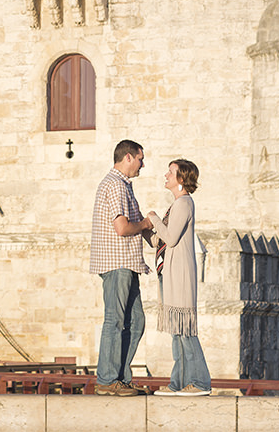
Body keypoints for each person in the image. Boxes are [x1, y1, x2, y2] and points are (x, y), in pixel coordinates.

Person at [90, 139, 153, 395]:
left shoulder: (123, 186)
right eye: (140, 158)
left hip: (128, 262)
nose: (142, 164)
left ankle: (121, 377)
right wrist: (146, 224)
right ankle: (107, 380)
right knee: (115, 320)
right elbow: (123, 227)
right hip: (117, 262)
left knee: (136, 320)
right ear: (128, 157)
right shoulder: (116, 185)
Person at [148, 159, 211, 396]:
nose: (166, 175)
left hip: (180, 274)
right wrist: (145, 228)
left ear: (181, 179)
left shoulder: (184, 203)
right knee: (177, 331)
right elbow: (160, 240)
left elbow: (171, 238)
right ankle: (179, 383)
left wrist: (153, 218)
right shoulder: (176, 205)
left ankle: (200, 382)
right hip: (169, 272)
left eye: (171, 172)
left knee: (185, 331)